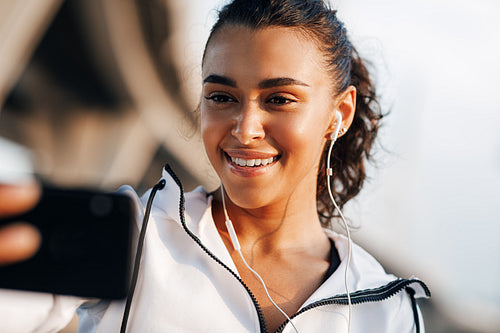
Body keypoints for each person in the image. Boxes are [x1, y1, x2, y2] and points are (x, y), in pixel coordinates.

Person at [0, 0, 430, 332]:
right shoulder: (134, 231)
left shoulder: (385, 305)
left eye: (279, 99)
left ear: (340, 113)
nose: (245, 129)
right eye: (222, 97)